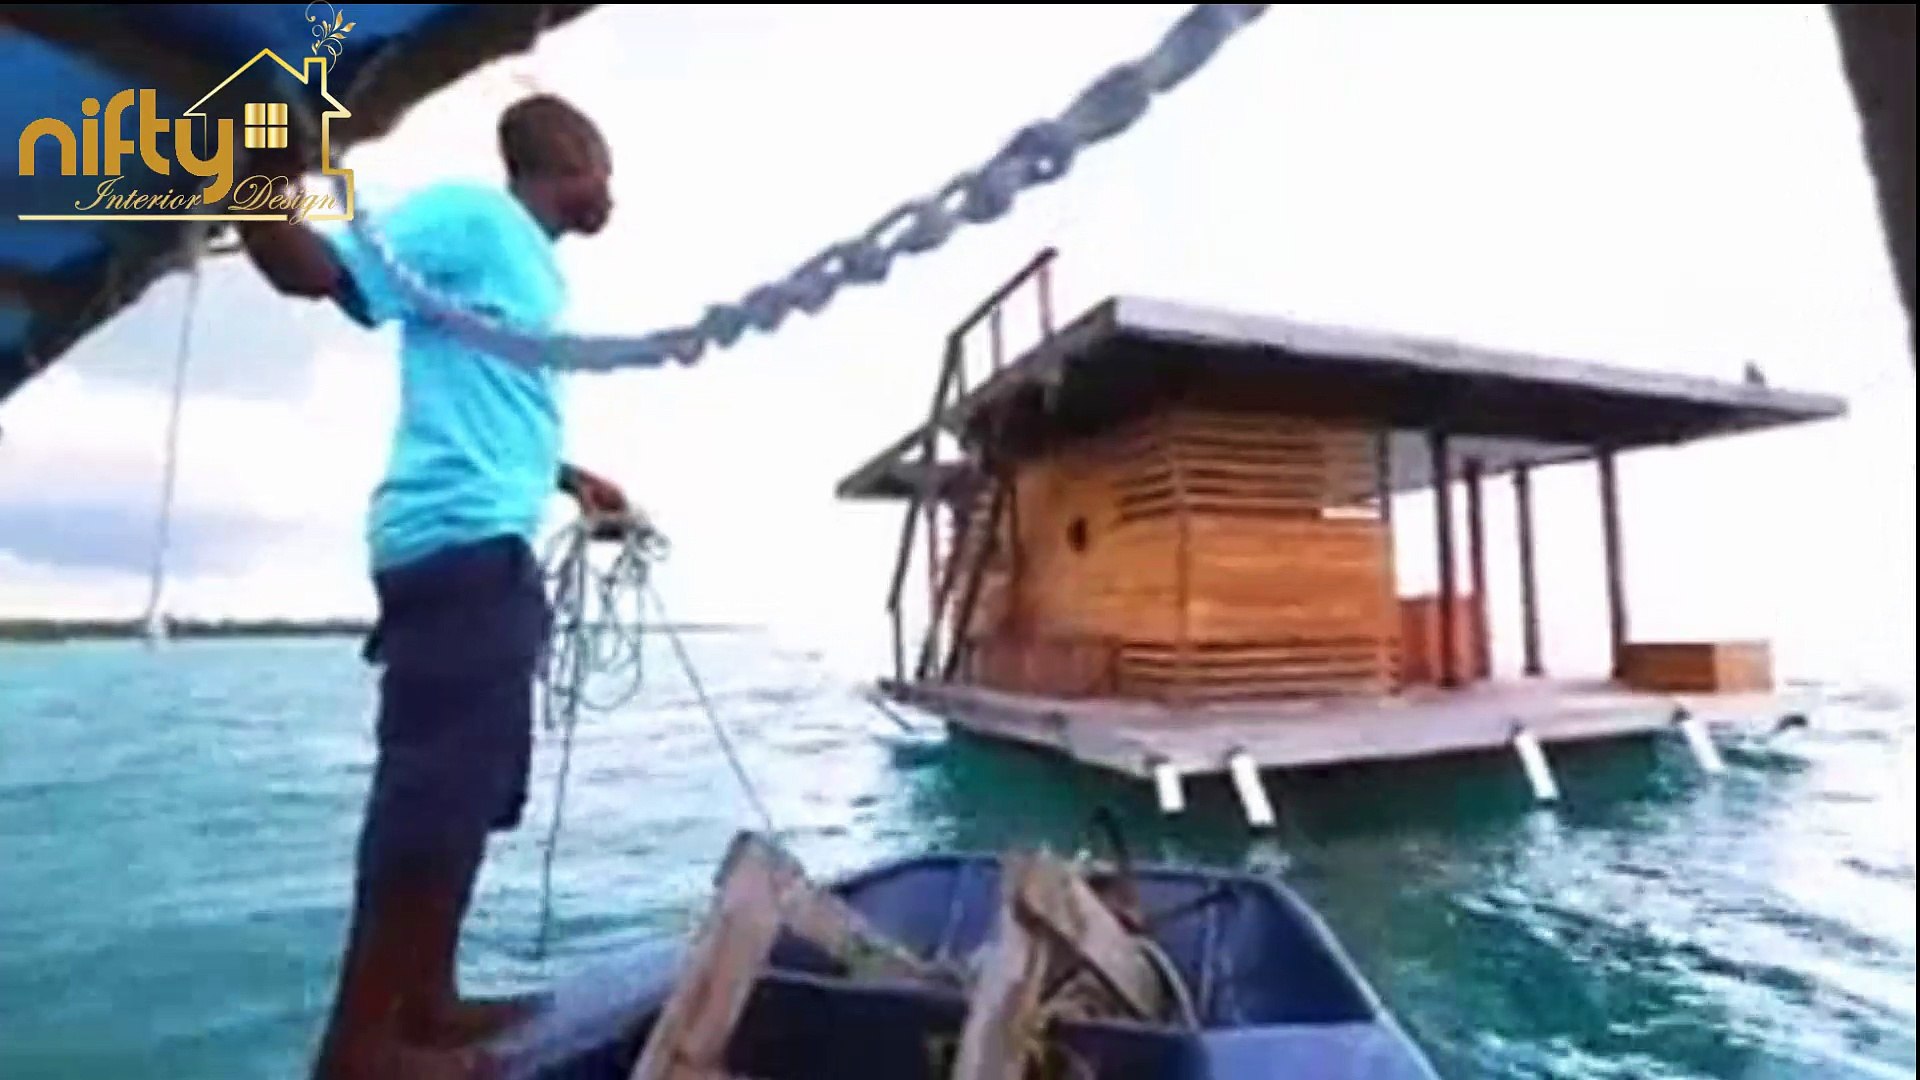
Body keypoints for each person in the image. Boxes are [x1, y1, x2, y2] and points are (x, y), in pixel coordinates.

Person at [237, 93, 626, 1077]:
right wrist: (254, 183)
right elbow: (327, 275)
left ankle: (429, 1005)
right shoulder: (473, 218)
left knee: (472, 793)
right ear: (566, 156)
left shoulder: (527, 271)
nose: (610, 194)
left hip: (491, 543)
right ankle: (361, 1049)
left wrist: (570, 477)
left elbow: (489, 400)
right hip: (452, 548)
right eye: (601, 171)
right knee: (432, 798)